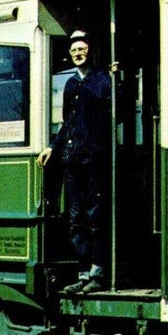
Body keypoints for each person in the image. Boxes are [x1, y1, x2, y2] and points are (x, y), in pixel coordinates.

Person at [37, 30, 114, 294]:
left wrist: (117, 81)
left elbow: (119, 111)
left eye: (82, 49)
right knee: (75, 219)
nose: (78, 54)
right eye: (73, 51)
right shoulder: (70, 85)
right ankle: (83, 274)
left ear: (90, 52)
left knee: (95, 217)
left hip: (94, 160)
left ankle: (98, 273)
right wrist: (52, 147)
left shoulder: (103, 80)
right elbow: (67, 123)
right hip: (73, 160)